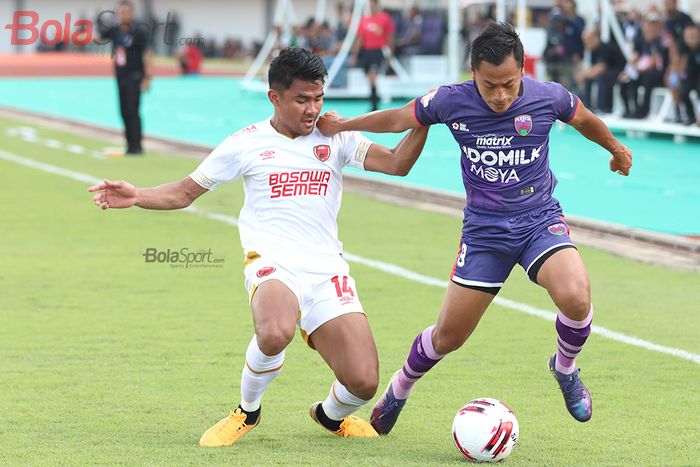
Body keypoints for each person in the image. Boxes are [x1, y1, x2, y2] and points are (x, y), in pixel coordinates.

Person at [87, 47, 429, 446]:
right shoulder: (245, 143)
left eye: (319, 98)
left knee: (364, 382)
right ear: (275, 97)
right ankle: (247, 411)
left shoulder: (336, 137)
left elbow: (396, 164)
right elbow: (183, 193)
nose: (313, 110)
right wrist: (136, 195)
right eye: (302, 99)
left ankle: (329, 415)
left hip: (326, 268)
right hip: (272, 263)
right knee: (275, 331)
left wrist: (425, 119)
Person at [317, 22, 632, 434]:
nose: (500, 95)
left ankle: (565, 368)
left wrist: (616, 149)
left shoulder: (548, 96)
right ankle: (400, 388)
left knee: (576, 297)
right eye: (490, 85)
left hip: (539, 220)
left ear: (522, 71)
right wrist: (343, 125)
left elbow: (583, 118)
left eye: (509, 84)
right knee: (448, 336)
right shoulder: (450, 101)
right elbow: (398, 118)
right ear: (472, 73)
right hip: (484, 234)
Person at [98, 0, 152, 155]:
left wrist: (147, 76)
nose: (124, 15)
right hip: (120, 76)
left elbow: (147, 53)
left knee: (132, 110)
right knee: (123, 111)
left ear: (132, 13)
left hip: (134, 75)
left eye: (126, 12)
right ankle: (129, 144)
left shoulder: (138, 30)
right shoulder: (114, 30)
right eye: (121, 12)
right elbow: (99, 36)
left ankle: (137, 146)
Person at [618, 13, 668, 118]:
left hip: (657, 72)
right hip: (641, 70)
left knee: (647, 80)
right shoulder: (641, 40)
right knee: (626, 81)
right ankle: (630, 109)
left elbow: (656, 61)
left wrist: (640, 68)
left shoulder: (660, 41)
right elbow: (635, 57)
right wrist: (627, 71)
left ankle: (643, 111)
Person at [352, 0, 395, 111]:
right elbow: (360, 38)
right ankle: (374, 101)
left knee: (373, 75)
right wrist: (354, 54)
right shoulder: (364, 20)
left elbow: (390, 37)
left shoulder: (385, 18)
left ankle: (374, 104)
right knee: (370, 78)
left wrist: (391, 54)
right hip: (366, 52)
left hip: (378, 51)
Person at [578, 29, 626, 114]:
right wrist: (586, 74)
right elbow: (594, 67)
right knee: (589, 79)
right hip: (609, 70)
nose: (586, 43)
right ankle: (587, 105)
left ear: (595, 38)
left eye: (588, 40)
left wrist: (585, 74)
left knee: (601, 78)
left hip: (621, 70)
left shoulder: (604, 47)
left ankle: (604, 107)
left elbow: (602, 67)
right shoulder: (593, 49)